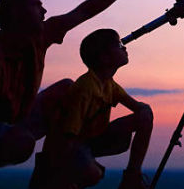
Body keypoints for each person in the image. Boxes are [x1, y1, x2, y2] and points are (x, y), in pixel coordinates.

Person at [0, 0, 162, 189]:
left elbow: (85, 11)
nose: (44, 10)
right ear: (17, 14)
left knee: (66, 88)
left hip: (16, 119)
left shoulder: (39, 37)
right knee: (22, 143)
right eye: (36, 5)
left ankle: (52, 168)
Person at [31, 29, 153, 189]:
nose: (124, 48)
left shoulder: (109, 85)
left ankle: (132, 176)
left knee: (145, 115)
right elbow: (68, 136)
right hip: (66, 145)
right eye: (118, 45)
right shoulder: (85, 88)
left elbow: (141, 110)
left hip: (90, 139)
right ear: (104, 57)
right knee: (91, 173)